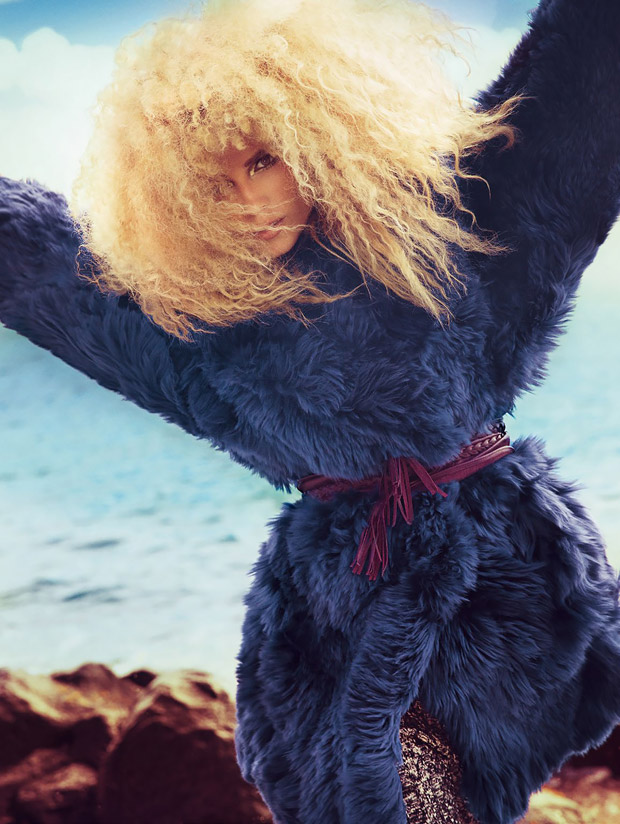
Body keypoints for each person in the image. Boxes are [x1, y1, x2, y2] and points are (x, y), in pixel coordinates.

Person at [1, 0, 619, 822]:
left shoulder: (452, 234)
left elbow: (572, 92)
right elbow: (48, 268)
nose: (246, 201)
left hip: (497, 580)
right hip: (338, 612)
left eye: (261, 161)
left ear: (316, 142)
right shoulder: (203, 334)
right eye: (213, 184)